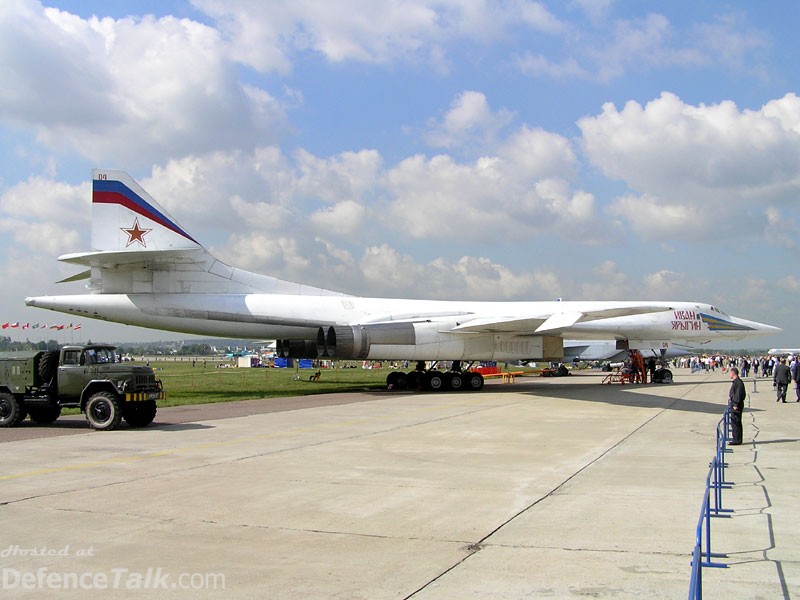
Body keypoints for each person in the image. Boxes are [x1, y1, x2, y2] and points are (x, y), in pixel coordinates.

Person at [728, 367, 746, 445]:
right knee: (734, 422)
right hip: (734, 403)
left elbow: (738, 395)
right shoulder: (736, 382)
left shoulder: (738, 383)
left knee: (736, 422)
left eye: (730, 373)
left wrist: (735, 404)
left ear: (733, 373)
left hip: (736, 405)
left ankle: (737, 440)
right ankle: (736, 438)